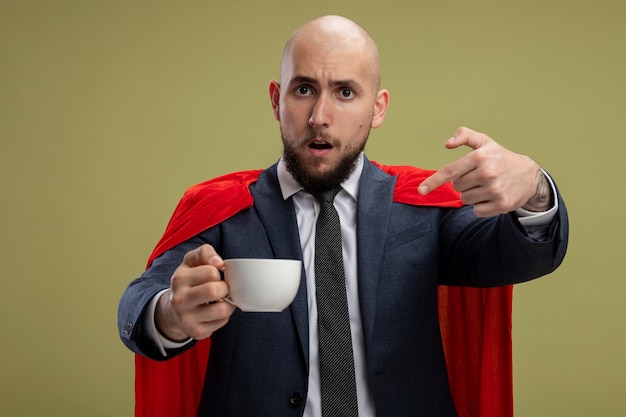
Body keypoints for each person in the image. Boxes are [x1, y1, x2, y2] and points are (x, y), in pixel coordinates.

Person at [118, 15, 568, 417]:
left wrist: (533, 186)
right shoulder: (225, 209)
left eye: (345, 92)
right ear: (277, 100)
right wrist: (171, 316)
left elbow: (521, 255)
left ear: (377, 108)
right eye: (304, 89)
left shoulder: (424, 207)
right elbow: (141, 302)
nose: (320, 117)